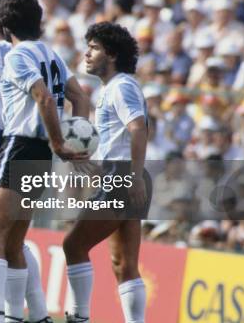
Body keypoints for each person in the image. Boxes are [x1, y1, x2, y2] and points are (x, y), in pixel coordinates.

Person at [0, 0, 88, 323]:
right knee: (14, 241)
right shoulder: (51, 54)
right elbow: (79, 96)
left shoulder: (16, 56)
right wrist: (77, 140)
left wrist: (59, 141)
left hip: (21, 144)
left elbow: (41, 96)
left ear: (6, 26)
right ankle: (33, 316)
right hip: (40, 154)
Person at [63, 22, 150, 323]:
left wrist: (134, 177)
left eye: (94, 48)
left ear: (111, 54)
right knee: (123, 263)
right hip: (120, 174)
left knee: (73, 244)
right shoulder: (113, 87)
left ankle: (78, 317)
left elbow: (138, 128)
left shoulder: (121, 86)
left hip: (123, 178)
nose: (86, 53)